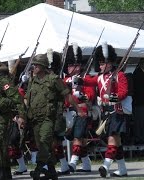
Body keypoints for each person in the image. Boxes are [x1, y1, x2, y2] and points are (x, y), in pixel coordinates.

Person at [26, 54, 85, 180]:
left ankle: (38, 169)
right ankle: (52, 171)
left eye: (36, 65)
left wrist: (78, 109)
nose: (34, 67)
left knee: (44, 142)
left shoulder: (53, 79)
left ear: (42, 66)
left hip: (49, 118)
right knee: (42, 145)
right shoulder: (32, 80)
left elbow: (67, 95)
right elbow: (28, 99)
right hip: (35, 118)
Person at [83, 42, 128, 177]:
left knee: (112, 138)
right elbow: (88, 81)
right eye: (100, 63)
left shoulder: (119, 75)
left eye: (103, 63)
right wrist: (78, 80)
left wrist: (111, 98)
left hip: (116, 111)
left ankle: (105, 165)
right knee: (116, 142)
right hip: (106, 113)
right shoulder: (100, 77)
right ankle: (122, 169)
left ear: (110, 63)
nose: (101, 65)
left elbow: (124, 92)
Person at [62, 44, 96, 173]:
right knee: (75, 139)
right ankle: (86, 164)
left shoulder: (85, 78)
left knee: (78, 137)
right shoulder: (65, 80)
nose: (73, 67)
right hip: (68, 112)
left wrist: (81, 95)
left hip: (82, 111)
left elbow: (91, 95)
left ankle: (73, 163)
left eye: (76, 64)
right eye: (70, 65)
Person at [132, 59, 144, 145]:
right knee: (139, 122)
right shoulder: (137, 73)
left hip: (140, 102)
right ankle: (139, 139)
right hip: (139, 102)